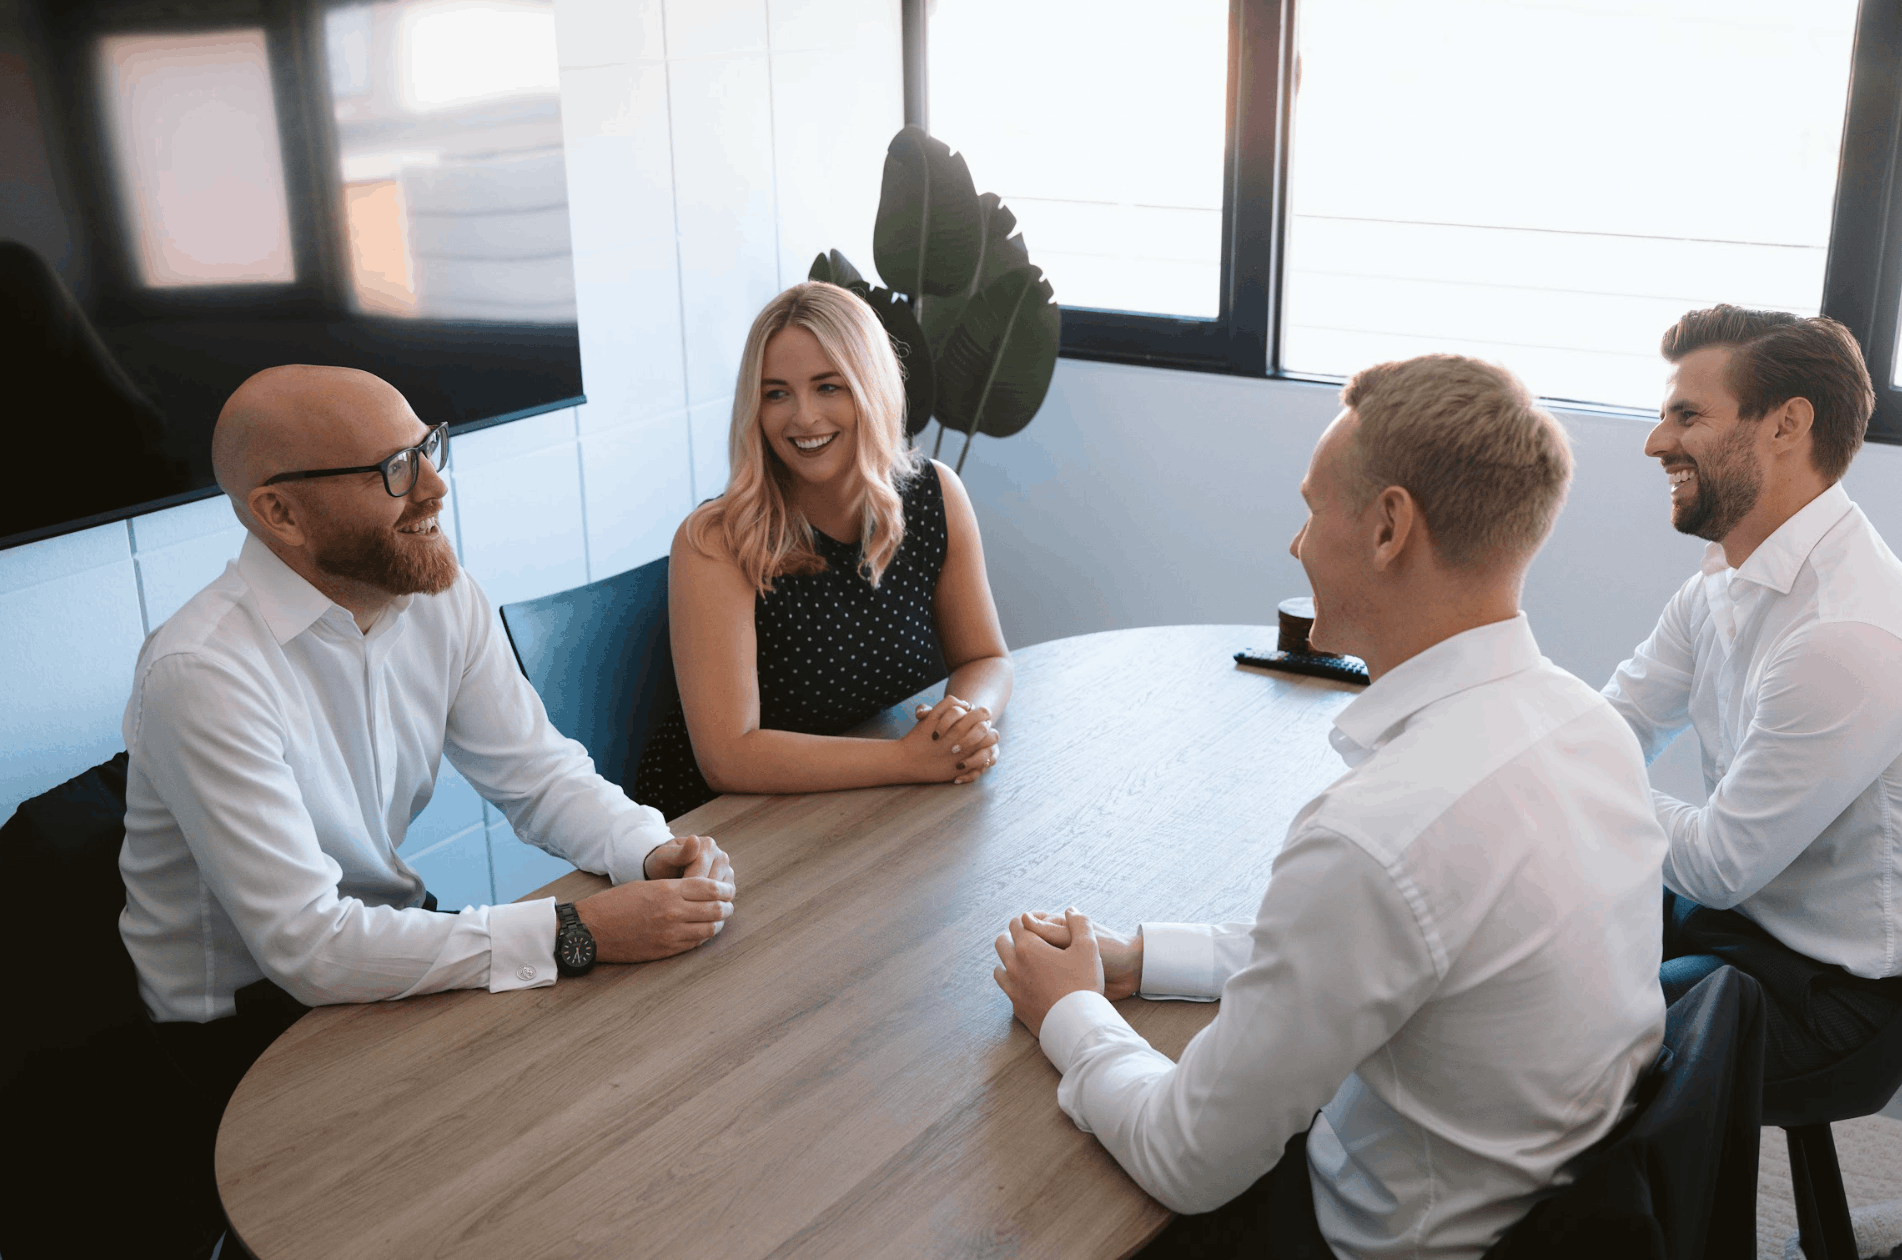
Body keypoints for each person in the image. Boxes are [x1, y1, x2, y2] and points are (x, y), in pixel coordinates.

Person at [993, 355, 1669, 1260]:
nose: (1296, 544)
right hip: (1545, 1202)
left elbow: (1185, 1158)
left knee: (1029, 1194)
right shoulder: (1587, 727)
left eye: (1311, 509)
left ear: (1390, 526)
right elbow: (1361, 944)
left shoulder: (1377, 836)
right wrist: (1138, 958)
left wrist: (1070, 1013)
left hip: (1370, 1239)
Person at [120, 364, 736, 1255]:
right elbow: (308, 950)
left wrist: (648, 847)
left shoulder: (440, 595)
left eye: (427, 448)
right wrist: (580, 933)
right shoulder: (201, 672)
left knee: (617, 1110)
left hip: (380, 945)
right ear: (279, 513)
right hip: (244, 1033)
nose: (436, 487)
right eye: (394, 469)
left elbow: (540, 774)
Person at [1603, 305, 1902, 1082]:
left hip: (1827, 994)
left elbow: (1721, 864)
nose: (1655, 441)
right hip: (1730, 927)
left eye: (1688, 415)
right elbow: (1619, 720)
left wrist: (1579, 781)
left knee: (1558, 1023)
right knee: (1506, 941)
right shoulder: (1721, 578)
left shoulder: (1848, 632)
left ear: (1787, 425)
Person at [634, 282, 1012, 820]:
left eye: (828, 387)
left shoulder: (936, 493)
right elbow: (728, 756)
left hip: (871, 806)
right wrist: (907, 760)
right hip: (727, 832)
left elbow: (986, 658)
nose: (804, 417)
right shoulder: (715, 540)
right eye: (776, 393)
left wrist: (964, 722)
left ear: (870, 388)